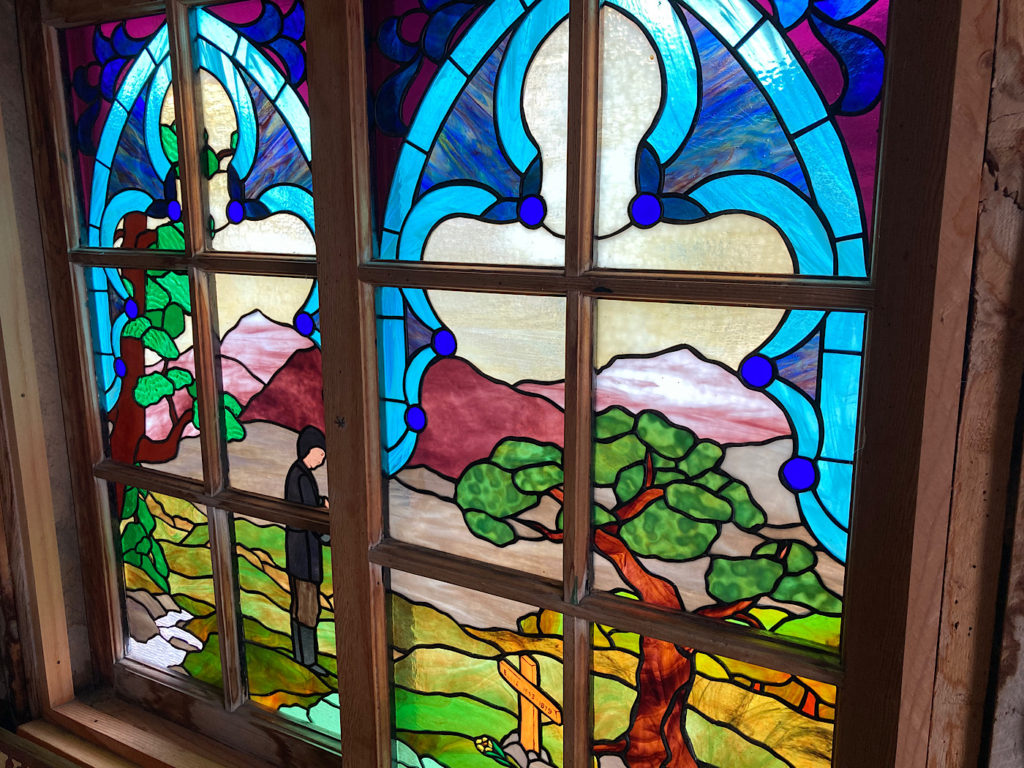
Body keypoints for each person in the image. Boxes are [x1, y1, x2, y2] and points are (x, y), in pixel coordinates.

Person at [284, 426, 330, 675]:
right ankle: (307, 660)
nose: (321, 460)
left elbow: (307, 506)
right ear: (308, 451)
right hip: (304, 555)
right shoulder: (300, 476)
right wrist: (323, 515)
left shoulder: (299, 474)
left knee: (302, 605)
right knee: (307, 607)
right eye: (320, 455)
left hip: (299, 554)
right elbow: (306, 516)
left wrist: (319, 504)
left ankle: (302, 656)